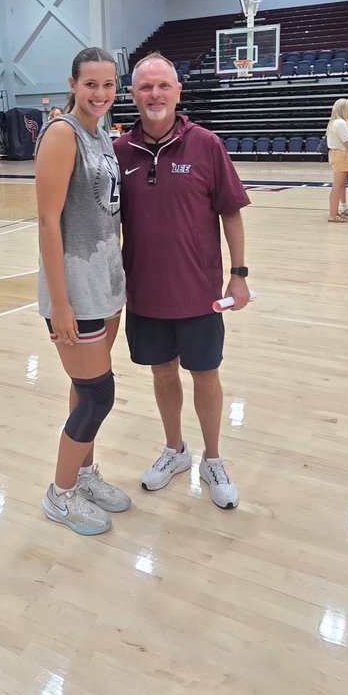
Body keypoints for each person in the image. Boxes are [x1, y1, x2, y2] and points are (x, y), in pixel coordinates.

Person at [113, 53, 250, 510]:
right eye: (145, 87)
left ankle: (213, 459)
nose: (154, 94)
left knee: (205, 374)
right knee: (161, 372)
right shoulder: (119, 153)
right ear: (133, 95)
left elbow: (231, 212)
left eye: (163, 86)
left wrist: (238, 275)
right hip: (145, 291)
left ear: (177, 92)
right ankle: (175, 450)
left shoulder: (206, 144)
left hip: (199, 292)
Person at [36, 46, 129, 536]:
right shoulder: (62, 134)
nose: (100, 93)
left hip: (105, 284)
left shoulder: (101, 134)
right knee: (98, 396)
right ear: (72, 84)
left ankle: (84, 475)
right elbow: (48, 222)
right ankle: (61, 494)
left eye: (108, 84)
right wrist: (60, 303)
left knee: (84, 386)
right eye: (90, 84)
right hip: (74, 290)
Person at [325, 98, 348, 223]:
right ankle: (332, 215)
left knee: (339, 185)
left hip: (338, 154)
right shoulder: (340, 123)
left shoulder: (337, 122)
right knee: (337, 186)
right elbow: (347, 142)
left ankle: (335, 212)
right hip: (341, 154)